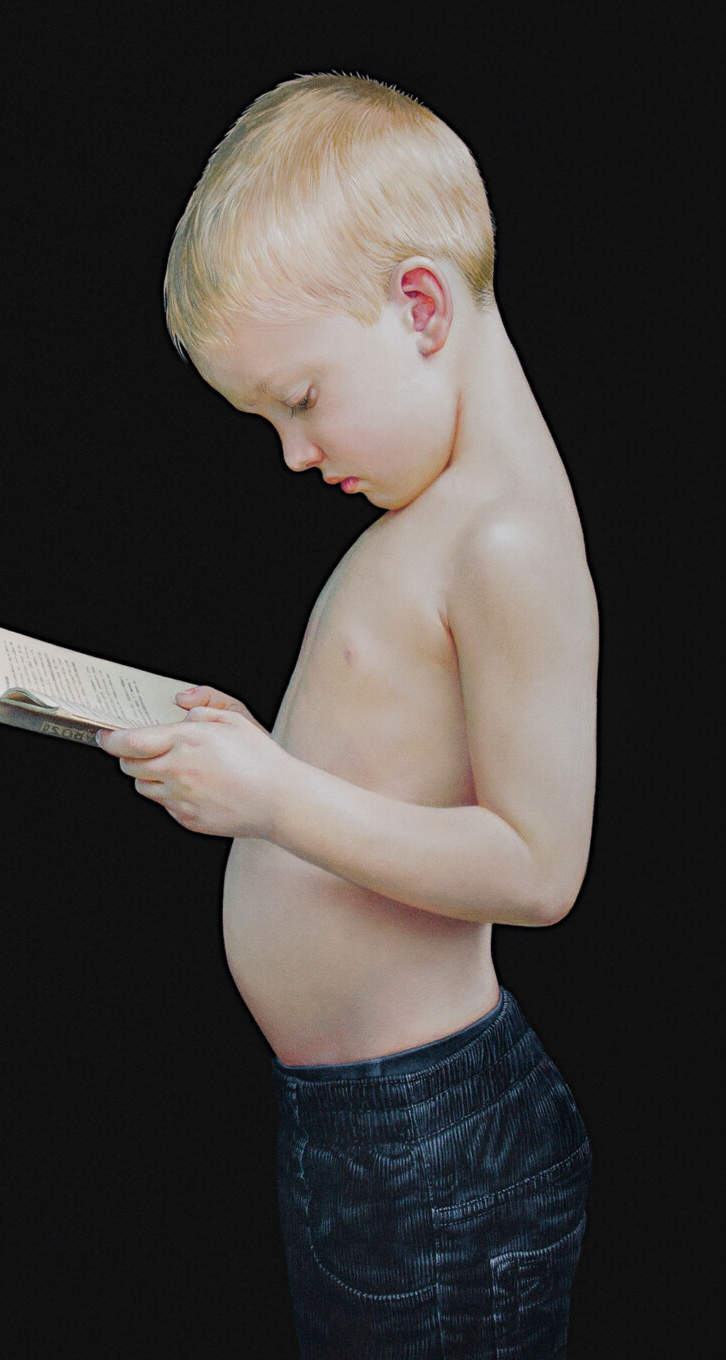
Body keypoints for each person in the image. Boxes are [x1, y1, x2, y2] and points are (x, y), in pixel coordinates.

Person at [96, 73, 597, 1358]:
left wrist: (275, 797)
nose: (294, 452)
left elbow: (538, 868)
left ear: (419, 308)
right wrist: (257, 752)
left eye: (302, 398)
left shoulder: (503, 538)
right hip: (376, 1130)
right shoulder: (444, 511)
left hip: (432, 1147)